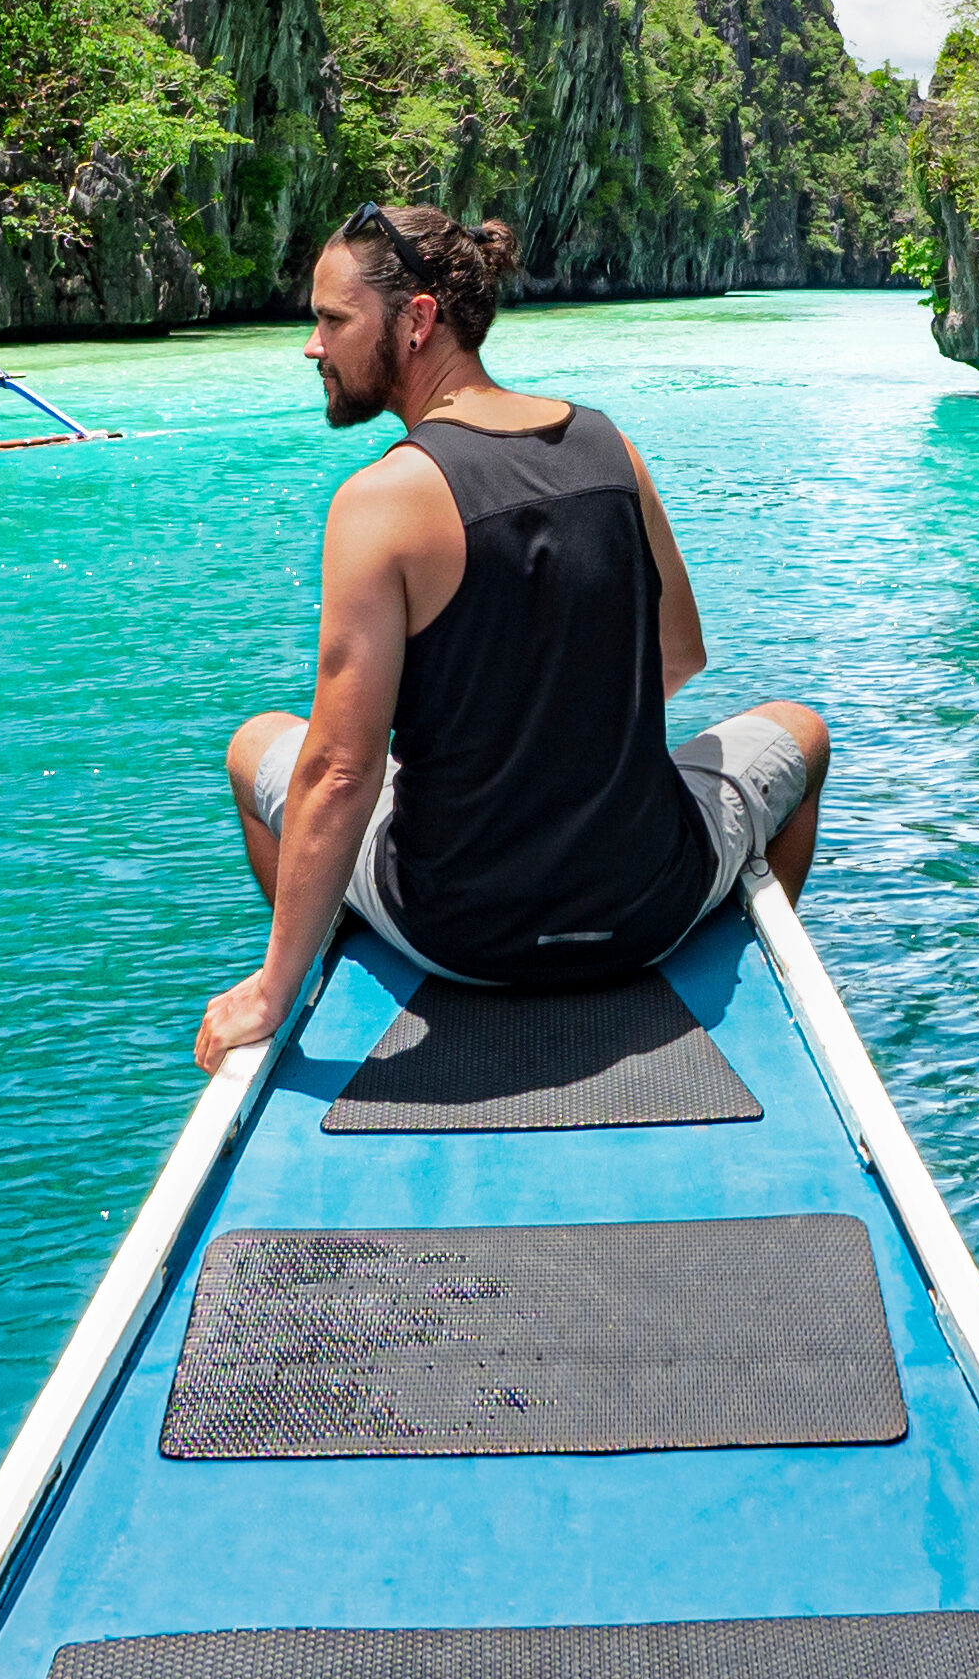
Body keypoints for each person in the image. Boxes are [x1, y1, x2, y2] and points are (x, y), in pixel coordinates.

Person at [199, 203, 828, 1072]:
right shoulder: (610, 446)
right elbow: (675, 656)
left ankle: (312, 966)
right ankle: (737, 964)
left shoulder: (378, 501)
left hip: (459, 932)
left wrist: (265, 989)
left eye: (332, 319)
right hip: (646, 907)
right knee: (802, 730)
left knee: (254, 747)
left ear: (416, 320)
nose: (313, 345)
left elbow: (343, 772)